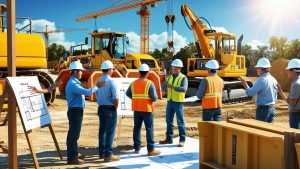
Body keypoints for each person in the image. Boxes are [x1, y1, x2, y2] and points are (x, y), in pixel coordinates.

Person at [65, 61, 103, 165]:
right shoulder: (73, 84)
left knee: (73, 134)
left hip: (75, 111)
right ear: (75, 72)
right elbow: (87, 92)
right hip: (75, 112)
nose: (82, 73)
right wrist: (97, 86)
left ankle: (74, 153)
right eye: (80, 71)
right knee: (73, 135)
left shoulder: (74, 82)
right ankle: (72, 158)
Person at [126, 64, 161, 156]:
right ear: (147, 73)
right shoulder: (150, 83)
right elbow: (154, 98)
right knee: (149, 128)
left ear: (139, 72)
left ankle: (137, 148)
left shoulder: (133, 83)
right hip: (147, 109)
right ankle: (150, 150)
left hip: (137, 109)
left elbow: (127, 93)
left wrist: (136, 99)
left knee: (137, 128)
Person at [95, 60, 120, 162]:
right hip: (110, 109)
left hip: (101, 108)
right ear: (109, 69)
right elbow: (116, 98)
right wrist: (115, 108)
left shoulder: (98, 81)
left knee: (102, 131)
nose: (113, 70)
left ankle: (101, 152)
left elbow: (96, 94)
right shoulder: (111, 81)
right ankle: (108, 154)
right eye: (112, 69)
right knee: (110, 131)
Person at [239, 58, 278, 123]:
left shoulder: (262, 80)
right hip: (272, 109)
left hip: (263, 110)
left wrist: (245, 84)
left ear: (260, 68)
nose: (256, 70)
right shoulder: (273, 79)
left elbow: (250, 93)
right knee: (269, 131)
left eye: (257, 68)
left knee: (260, 131)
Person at [160, 59, 188, 147]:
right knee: (168, 121)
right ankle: (169, 139)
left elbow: (184, 89)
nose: (173, 68)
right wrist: (164, 87)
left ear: (179, 68)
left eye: (175, 67)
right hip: (170, 101)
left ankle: (182, 139)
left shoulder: (183, 78)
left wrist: (172, 87)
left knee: (180, 121)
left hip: (178, 102)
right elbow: (163, 87)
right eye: (173, 67)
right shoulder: (169, 77)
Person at [277, 58, 300, 129]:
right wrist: (280, 91)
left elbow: (292, 102)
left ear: (293, 70)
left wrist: (280, 91)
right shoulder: (296, 82)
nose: (287, 72)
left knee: (294, 136)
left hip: (295, 115)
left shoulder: (296, 84)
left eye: (288, 71)